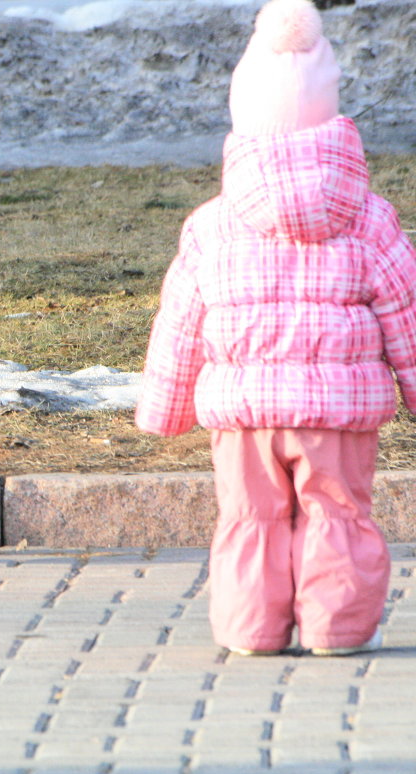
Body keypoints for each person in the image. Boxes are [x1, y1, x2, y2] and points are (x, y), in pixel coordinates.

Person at [136, 0, 416, 656]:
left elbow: (179, 322)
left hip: (244, 416)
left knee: (250, 516)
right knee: (338, 514)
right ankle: (336, 628)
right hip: (337, 415)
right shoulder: (371, 219)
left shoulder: (212, 223)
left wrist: (165, 407)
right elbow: (407, 311)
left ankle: (251, 629)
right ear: (331, 118)